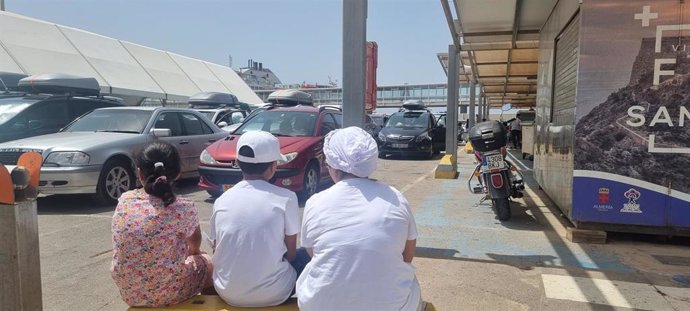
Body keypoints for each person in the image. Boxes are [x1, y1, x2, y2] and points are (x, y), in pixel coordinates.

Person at [296, 126, 422, 311]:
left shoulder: (316, 202)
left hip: (320, 305)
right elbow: (407, 256)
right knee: (410, 280)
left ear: (333, 165)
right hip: (392, 306)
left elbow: (312, 252)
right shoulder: (396, 198)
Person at [210, 130, 309, 307]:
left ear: (239, 163)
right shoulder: (286, 198)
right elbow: (291, 254)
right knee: (307, 255)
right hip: (275, 293)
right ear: (273, 166)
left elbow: (218, 249)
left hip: (227, 292)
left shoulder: (222, 200)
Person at [111, 141, 213, 307]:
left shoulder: (124, 201)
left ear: (139, 173)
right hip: (170, 293)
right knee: (207, 262)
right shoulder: (183, 207)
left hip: (131, 293)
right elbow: (194, 244)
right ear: (178, 173)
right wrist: (194, 254)